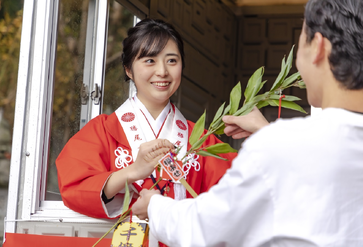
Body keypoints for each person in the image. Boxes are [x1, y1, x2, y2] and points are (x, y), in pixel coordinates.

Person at [131, 0, 363, 246]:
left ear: (317, 47)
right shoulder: (288, 144)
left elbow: (207, 229)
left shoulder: (276, 145)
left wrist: (154, 206)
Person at [55, 19, 239, 224]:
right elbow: (75, 188)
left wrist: (264, 132)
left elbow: (241, 197)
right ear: (128, 69)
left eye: (172, 61)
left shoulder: (202, 141)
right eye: (150, 60)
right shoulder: (102, 131)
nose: (162, 71)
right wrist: (133, 171)